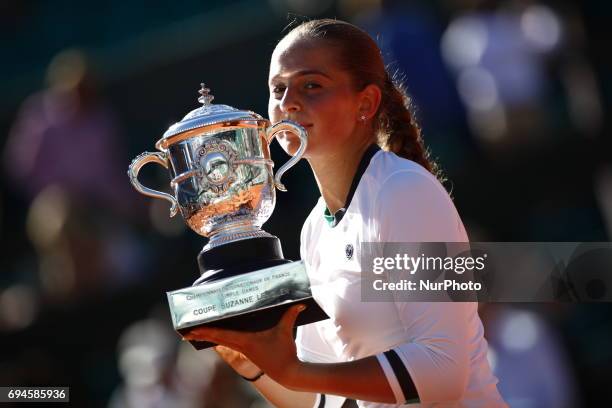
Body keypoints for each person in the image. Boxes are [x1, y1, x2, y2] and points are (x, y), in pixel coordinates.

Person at [183, 19, 507, 407]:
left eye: (311, 85)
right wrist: (253, 363)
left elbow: (443, 371)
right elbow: (320, 399)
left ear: (365, 104)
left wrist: (294, 372)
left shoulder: (404, 190)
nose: (287, 103)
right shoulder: (314, 230)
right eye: (278, 89)